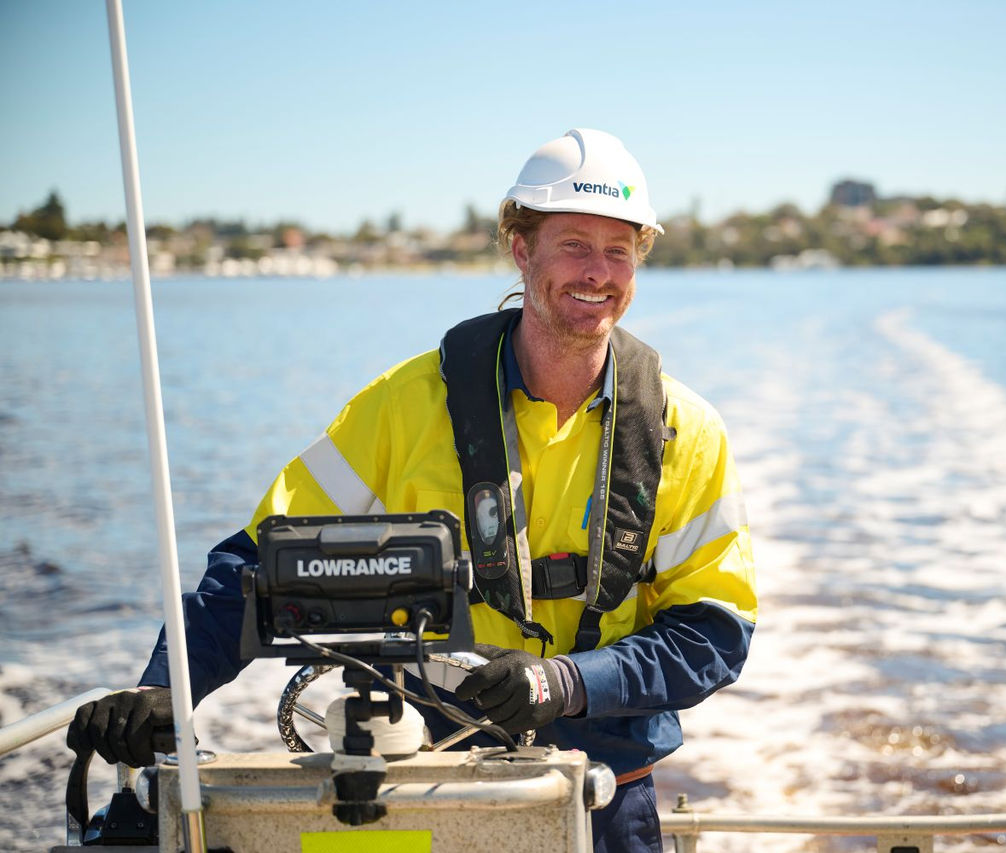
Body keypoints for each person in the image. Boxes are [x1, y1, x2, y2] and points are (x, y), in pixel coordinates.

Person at [68, 128, 757, 853]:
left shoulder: (688, 431)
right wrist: (162, 688)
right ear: (522, 249)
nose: (598, 272)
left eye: (619, 249)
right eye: (574, 244)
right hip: (424, 785)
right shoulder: (403, 405)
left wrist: (564, 681)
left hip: (608, 796)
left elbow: (715, 632)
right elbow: (257, 565)